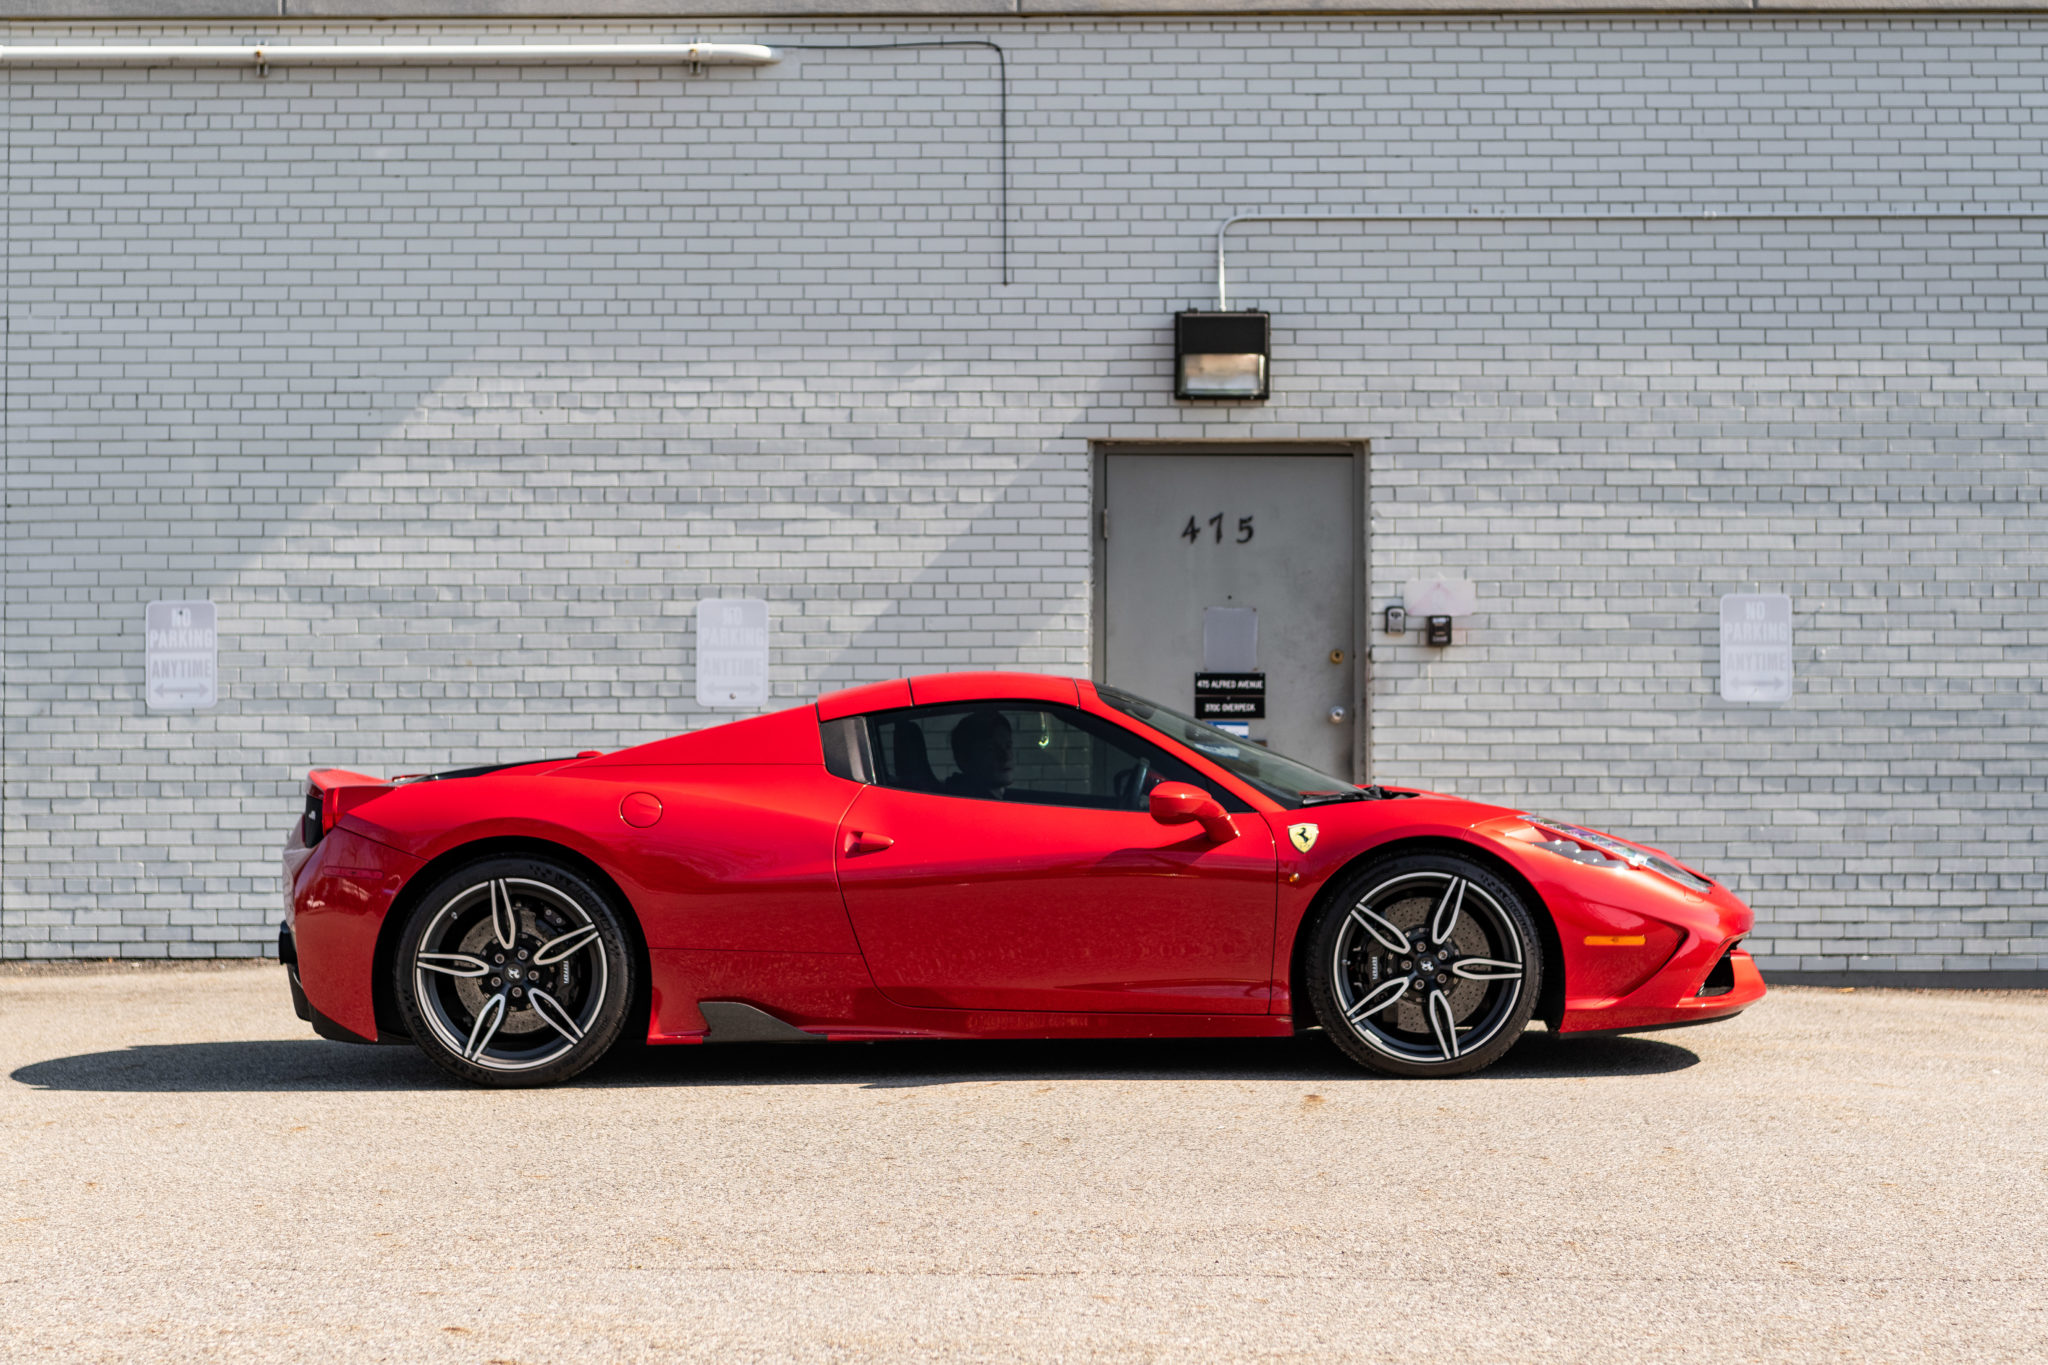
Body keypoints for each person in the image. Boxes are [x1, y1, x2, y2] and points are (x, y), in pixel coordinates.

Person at [943, 709, 1014, 800]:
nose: (1006, 756)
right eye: (991, 749)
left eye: (1008, 746)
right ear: (965, 759)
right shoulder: (966, 802)